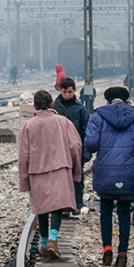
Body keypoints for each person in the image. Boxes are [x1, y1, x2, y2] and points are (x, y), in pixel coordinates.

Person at [84, 85, 134, 267]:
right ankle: (123, 253)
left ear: (107, 100)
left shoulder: (98, 116)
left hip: (105, 170)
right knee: (124, 211)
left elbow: (90, 143)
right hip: (129, 172)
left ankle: (107, 248)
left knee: (105, 209)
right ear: (126, 100)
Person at [19, 89, 83, 259]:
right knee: (56, 205)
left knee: (42, 208)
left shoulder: (28, 126)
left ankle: (45, 243)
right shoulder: (63, 122)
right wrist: (76, 170)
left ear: (34, 106)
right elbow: (75, 147)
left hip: (37, 171)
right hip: (60, 168)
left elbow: (23, 156)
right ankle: (53, 239)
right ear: (52, 103)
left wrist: (24, 181)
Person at [52, 78, 93, 212]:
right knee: (59, 178)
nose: (67, 95)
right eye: (65, 92)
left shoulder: (80, 109)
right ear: (60, 91)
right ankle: (60, 204)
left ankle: (77, 203)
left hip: (76, 149)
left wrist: (86, 152)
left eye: (70, 92)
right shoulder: (55, 107)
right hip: (58, 149)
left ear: (74, 91)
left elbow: (86, 130)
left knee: (77, 177)